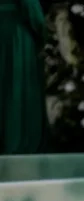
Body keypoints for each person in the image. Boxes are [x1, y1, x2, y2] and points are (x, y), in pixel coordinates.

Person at [0, 0, 49, 154]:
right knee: (15, 88)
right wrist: (44, 32)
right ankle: (15, 142)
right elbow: (30, 7)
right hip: (15, 36)